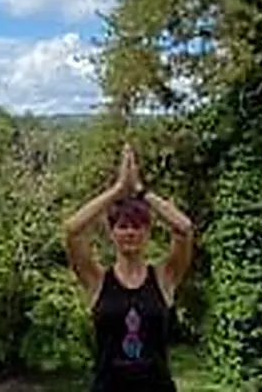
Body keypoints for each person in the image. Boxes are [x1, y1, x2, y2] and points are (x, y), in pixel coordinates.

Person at [63, 141, 195, 392]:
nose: (130, 232)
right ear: (112, 233)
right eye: (122, 226)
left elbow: (184, 228)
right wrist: (117, 190)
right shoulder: (97, 281)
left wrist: (140, 190)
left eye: (137, 226)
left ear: (147, 232)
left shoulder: (164, 278)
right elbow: (72, 230)